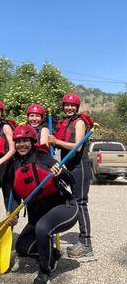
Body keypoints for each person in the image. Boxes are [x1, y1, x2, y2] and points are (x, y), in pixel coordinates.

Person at [7, 124, 78, 284]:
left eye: (25, 141)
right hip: (38, 213)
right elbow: (16, 196)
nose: (21, 145)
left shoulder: (42, 157)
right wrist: (13, 214)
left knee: (42, 228)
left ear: (32, 141)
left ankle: (45, 271)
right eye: (18, 141)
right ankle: (52, 255)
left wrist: (61, 172)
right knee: (22, 247)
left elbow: (70, 180)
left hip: (63, 207)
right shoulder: (13, 165)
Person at [48, 93, 93, 258]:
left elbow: (78, 147)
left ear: (77, 108)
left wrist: (56, 142)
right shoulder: (64, 122)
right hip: (70, 166)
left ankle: (86, 243)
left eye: (72, 106)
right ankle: (82, 240)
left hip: (80, 166)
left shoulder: (79, 122)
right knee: (71, 200)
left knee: (81, 203)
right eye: (66, 105)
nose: (69, 108)